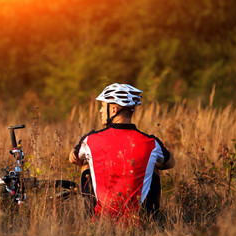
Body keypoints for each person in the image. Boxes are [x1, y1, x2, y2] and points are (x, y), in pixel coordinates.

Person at [69, 83, 175, 223]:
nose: (101, 111)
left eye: (102, 106)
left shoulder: (90, 140)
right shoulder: (151, 142)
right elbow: (170, 163)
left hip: (102, 221)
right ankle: (151, 220)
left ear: (113, 110)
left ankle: (91, 217)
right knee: (153, 167)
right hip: (138, 221)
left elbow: (73, 158)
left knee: (86, 166)